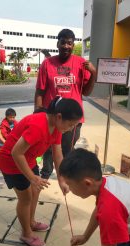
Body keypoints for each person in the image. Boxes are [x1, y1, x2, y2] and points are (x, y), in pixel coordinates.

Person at [0, 97, 83, 246]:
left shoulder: (57, 127)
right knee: (26, 198)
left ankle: (31, 222)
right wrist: (32, 178)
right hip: (12, 163)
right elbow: (16, 153)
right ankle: (26, 233)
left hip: (28, 160)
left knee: (35, 191)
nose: (71, 129)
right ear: (59, 117)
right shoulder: (38, 126)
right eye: (71, 124)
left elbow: (58, 155)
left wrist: (62, 180)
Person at [34, 28, 96, 179]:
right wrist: (38, 113)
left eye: (69, 43)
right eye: (63, 42)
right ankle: (46, 173)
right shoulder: (47, 64)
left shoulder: (81, 63)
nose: (66, 46)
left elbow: (86, 92)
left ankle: (66, 176)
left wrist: (94, 73)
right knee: (48, 148)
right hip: (52, 117)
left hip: (73, 118)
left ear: (73, 45)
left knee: (67, 149)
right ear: (57, 44)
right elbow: (40, 91)